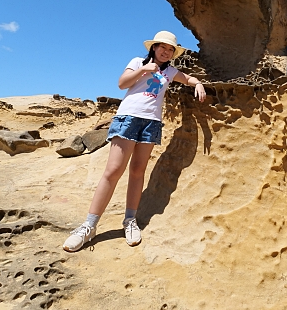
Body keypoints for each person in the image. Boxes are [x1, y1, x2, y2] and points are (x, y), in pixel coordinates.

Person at [63, 31, 206, 252]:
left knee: (138, 171)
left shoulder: (170, 71)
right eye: (163, 47)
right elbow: (122, 84)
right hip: (129, 118)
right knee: (113, 171)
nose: (166, 52)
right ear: (154, 47)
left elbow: (187, 79)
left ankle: (130, 221)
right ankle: (89, 226)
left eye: (171, 50)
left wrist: (197, 84)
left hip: (151, 123)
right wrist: (142, 70)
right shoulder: (138, 62)